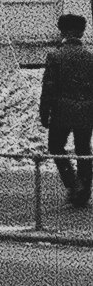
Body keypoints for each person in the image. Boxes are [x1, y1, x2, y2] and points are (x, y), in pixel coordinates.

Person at [40, 13, 93, 209]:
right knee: (83, 149)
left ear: (62, 31)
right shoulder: (90, 57)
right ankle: (85, 190)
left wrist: (44, 112)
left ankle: (72, 184)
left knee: (55, 146)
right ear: (81, 32)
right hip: (87, 109)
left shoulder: (55, 56)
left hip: (62, 109)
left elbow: (49, 88)